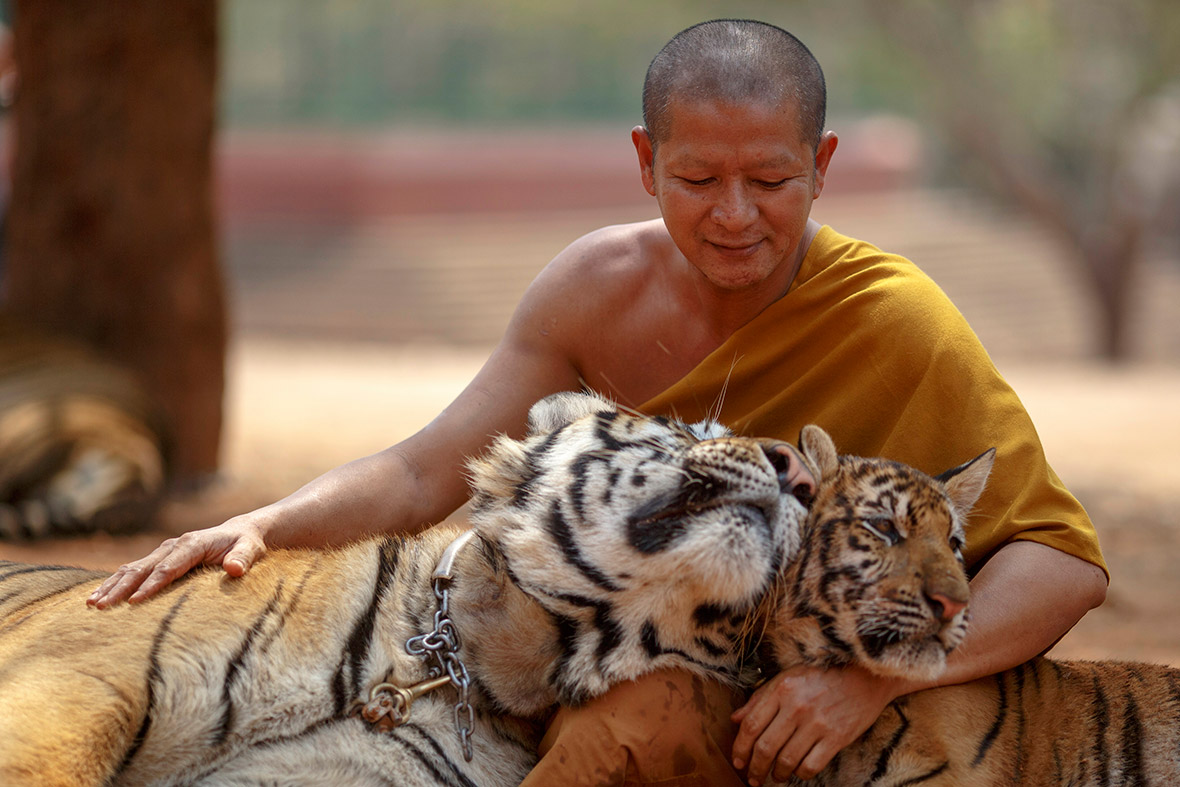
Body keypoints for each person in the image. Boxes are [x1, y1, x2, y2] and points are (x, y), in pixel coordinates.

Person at [88, 19, 1107, 787]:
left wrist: (879, 678)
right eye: (699, 176)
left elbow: (1060, 560)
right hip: (607, 635)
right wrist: (265, 523)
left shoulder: (897, 318)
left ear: (823, 168)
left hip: (773, 673)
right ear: (643, 160)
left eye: (771, 179)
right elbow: (421, 468)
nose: (735, 215)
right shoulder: (593, 287)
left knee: (619, 730)